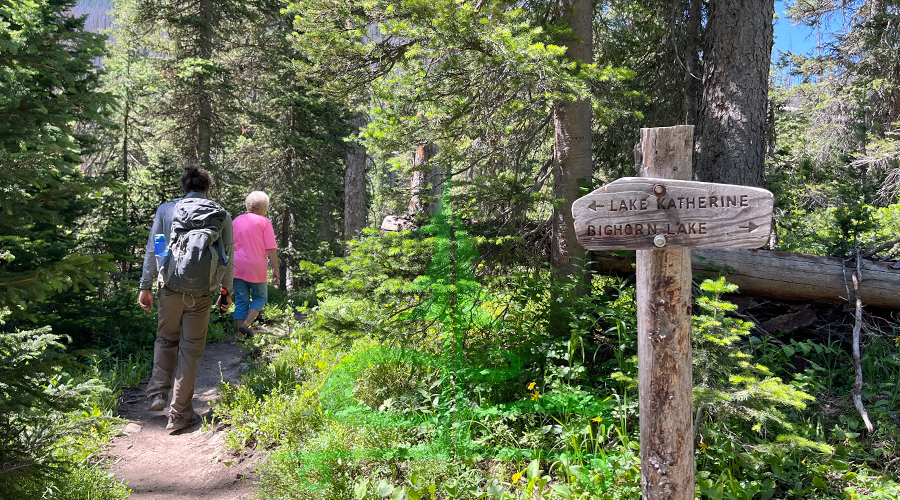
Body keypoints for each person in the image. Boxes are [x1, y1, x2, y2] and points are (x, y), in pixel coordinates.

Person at [138, 166, 234, 433]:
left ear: (184, 188)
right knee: (190, 349)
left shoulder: (166, 210)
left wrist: (146, 285)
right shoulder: (221, 214)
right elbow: (228, 256)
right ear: (208, 188)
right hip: (202, 292)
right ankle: (179, 415)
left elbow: (154, 247)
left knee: (166, 338)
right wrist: (226, 293)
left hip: (169, 286)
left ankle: (157, 394)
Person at [232, 191, 279, 336]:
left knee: (241, 300)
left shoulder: (236, 221)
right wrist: (276, 270)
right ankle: (246, 325)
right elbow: (271, 249)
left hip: (237, 266)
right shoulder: (264, 222)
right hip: (256, 267)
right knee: (260, 298)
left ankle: (241, 336)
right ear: (264, 208)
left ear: (248, 206)